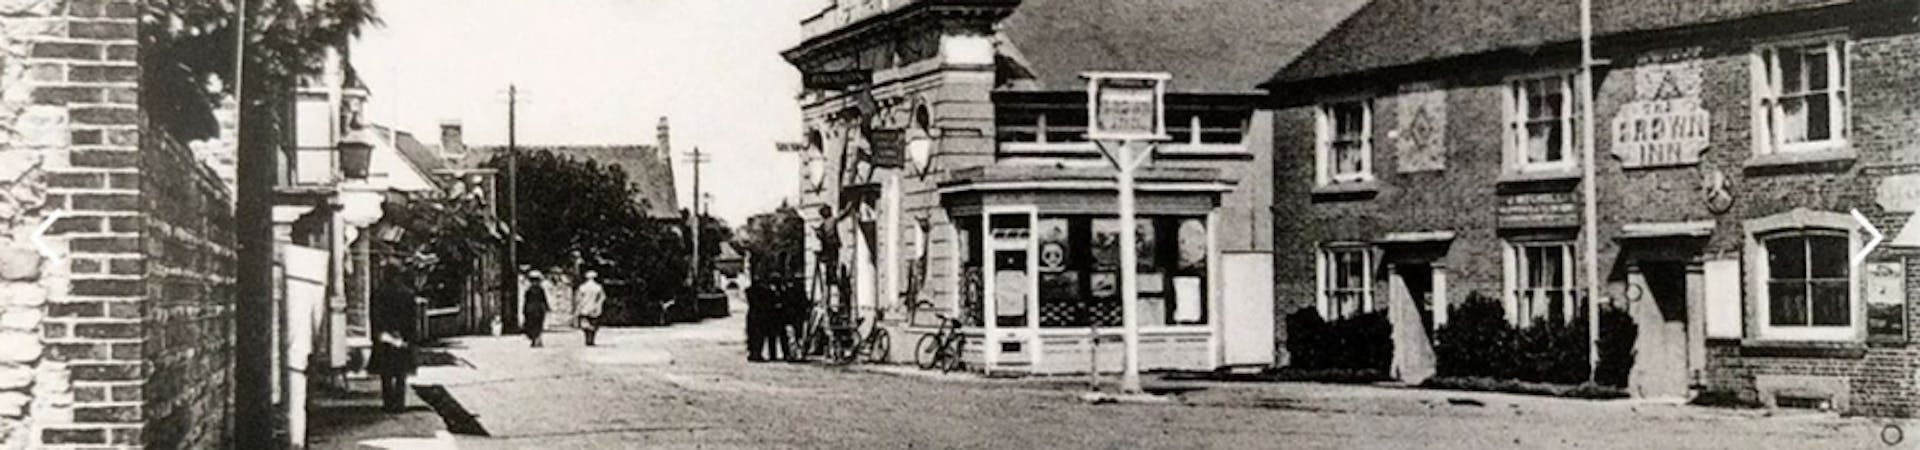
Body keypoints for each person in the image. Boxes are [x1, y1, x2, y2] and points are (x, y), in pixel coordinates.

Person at [367, 247, 422, 412]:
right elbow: (412, 319)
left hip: (384, 335)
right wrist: (409, 338)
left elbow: (374, 316)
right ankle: (399, 403)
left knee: (386, 372)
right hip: (401, 336)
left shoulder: (378, 292)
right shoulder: (407, 294)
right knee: (400, 372)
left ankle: (388, 403)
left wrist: (378, 333)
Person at [575, 270, 606, 346]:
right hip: (594, 307)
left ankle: (587, 339)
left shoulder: (582, 287)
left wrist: (578, 306)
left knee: (585, 324)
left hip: (585, 307)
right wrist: (598, 305)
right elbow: (603, 297)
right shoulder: (598, 287)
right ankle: (591, 339)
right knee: (593, 324)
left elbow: (578, 298)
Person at [745, 281, 772, 361]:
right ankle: (756, 353)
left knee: (753, 336)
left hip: (752, 316)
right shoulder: (763, 292)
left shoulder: (749, 291)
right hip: (759, 316)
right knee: (758, 336)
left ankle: (754, 353)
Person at [524, 270, 549, 348]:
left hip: (531, 309)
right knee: (538, 325)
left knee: (533, 324)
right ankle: (537, 340)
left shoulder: (529, 290)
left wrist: (524, 310)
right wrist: (547, 307)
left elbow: (526, 301)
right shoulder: (540, 290)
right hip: (538, 309)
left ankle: (535, 340)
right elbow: (544, 300)